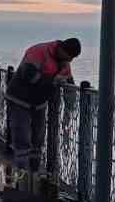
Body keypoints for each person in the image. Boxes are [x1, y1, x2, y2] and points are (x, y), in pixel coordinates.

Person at [5, 38, 81, 180]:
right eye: (68, 57)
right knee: (23, 140)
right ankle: (21, 180)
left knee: (37, 141)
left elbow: (69, 81)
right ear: (62, 49)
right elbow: (28, 75)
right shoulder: (38, 52)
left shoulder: (65, 62)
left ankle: (33, 176)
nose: (69, 61)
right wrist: (53, 81)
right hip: (19, 100)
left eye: (72, 59)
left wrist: (70, 106)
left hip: (39, 104)